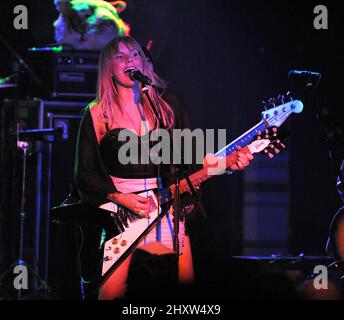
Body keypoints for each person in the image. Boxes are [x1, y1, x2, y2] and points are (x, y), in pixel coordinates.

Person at [73, 35, 253, 300]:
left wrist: (228, 164)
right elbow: (84, 174)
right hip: (119, 219)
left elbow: (194, 163)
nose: (128, 61)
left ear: (144, 63)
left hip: (166, 211)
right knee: (112, 294)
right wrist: (122, 199)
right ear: (108, 67)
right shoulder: (97, 113)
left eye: (134, 55)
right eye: (119, 57)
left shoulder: (167, 106)